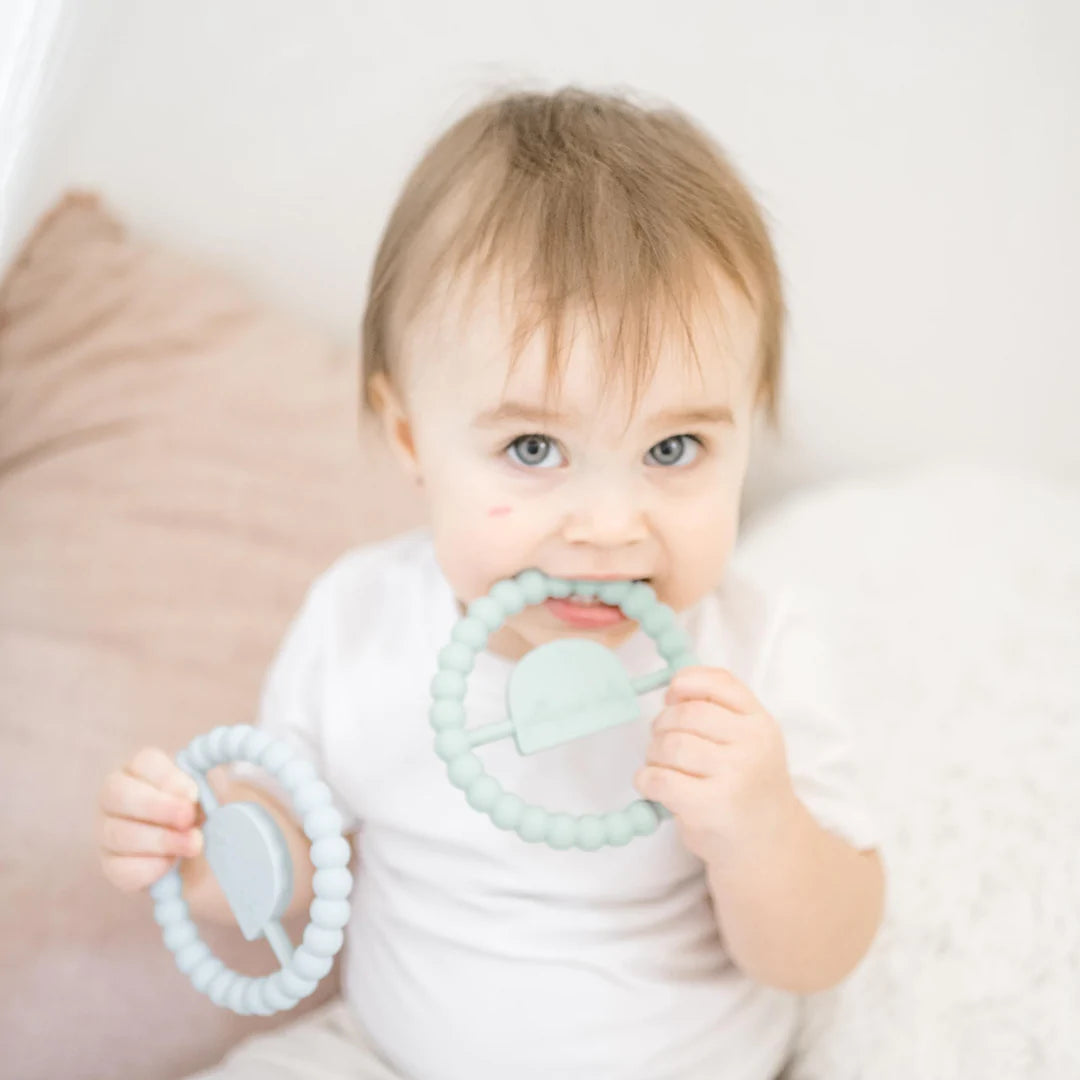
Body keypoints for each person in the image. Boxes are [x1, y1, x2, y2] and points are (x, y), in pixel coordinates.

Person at [97, 86, 885, 1080]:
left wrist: (760, 824)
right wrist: (206, 855)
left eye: (673, 447)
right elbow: (296, 853)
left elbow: (821, 954)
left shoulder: (753, 651)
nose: (608, 524)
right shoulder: (362, 621)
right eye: (533, 447)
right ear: (411, 439)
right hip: (388, 1056)